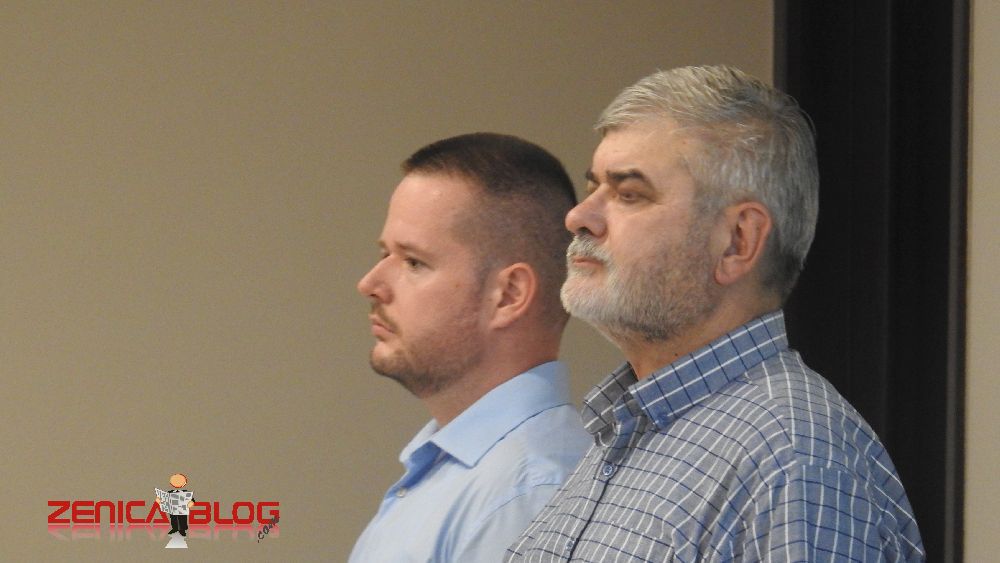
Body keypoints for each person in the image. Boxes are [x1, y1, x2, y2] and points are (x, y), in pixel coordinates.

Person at [507, 66, 925, 562]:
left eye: (629, 193)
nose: (579, 217)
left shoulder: (795, 459)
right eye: (594, 186)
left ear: (736, 242)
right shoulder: (625, 432)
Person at [350, 133, 591, 562]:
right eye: (384, 253)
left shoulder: (526, 494)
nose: (370, 284)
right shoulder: (463, 474)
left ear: (509, 295)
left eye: (414, 262)